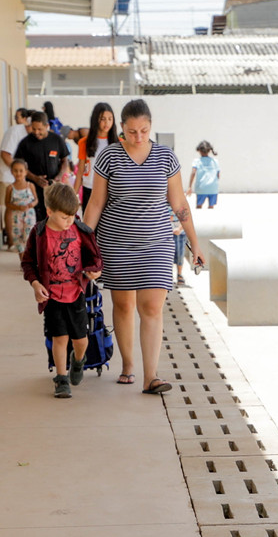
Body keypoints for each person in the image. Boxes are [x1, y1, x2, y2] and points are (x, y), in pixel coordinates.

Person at [83, 99, 204, 394]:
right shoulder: (108, 156)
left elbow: (179, 204)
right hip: (116, 242)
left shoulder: (166, 157)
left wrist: (194, 243)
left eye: (144, 131)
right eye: (132, 131)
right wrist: (84, 244)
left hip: (157, 243)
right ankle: (128, 365)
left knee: (151, 307)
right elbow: (96, 203)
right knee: (123, 305)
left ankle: (152, 376)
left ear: (151, 127)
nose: (138, 137)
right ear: (121, 128)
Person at [21, 182, 101, 399]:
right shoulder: (39, 233)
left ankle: (78, 360)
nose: (69, 221)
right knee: (59, 338)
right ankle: (61, 378)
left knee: (81, 339)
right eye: (65, 217)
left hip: (76, 293)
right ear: (49, 212)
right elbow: (27, 263)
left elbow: (96, 259)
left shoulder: (81, 230)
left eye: (72, 216)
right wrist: (36, 284)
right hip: (52, 295)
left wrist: (94, 272)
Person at [13, 111, 71, 219]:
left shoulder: (57, 140)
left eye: (40, 129)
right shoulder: (25, 143)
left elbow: (64, 161)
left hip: (53, 187)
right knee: (37, 219)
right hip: (33, 189)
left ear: (47, 126)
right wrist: (35, 178)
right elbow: (19, 165)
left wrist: (58, 177)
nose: (36, 132)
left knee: (54, 216)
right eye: (33, 129)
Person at [75, 101, 116, 205]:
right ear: (95, 119)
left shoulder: (119, 143)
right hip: (89, 189)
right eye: (103, 119)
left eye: (110, 119)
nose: (107, 122)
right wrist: (73, 195)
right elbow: (80, 172)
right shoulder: (84, 142)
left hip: (111, 191)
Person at [4, 158, 37, 253]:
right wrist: (18, 207)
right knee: (18, 238)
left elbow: (36, 199)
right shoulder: (10, 188)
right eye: (15, 171)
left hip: (29, 216)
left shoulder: (30, 186)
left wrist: (32, 204)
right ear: (11, 172)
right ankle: (23, 263)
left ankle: (30, 261)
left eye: (21, 171)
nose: (18, 173)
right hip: (16, 217)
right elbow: (7, 203)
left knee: (29, 237)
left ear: (26, 172)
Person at [187, 140, 221, 209]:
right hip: (213, 188)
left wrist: (189, 187)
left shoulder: (196, 161)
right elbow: (218, 175)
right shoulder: (215, 161)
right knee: (211, 206)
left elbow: (193, 173)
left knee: (199, 206)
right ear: (209, 150)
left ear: (199, 150)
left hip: (201, 188)